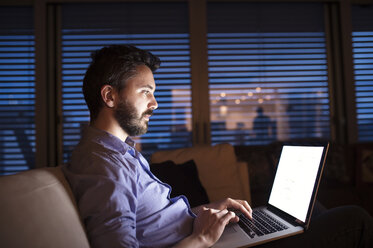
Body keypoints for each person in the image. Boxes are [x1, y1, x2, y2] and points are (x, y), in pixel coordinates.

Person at [63, 44, 373, 248]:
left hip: (204, 234)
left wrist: (208, 211)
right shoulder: (103, 166)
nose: (155, 103)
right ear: (110, 96)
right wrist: (201, 239)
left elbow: (151, 222)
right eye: (145, 91)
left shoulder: (117, 153)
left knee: (305, 212)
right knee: (355, 219)